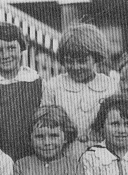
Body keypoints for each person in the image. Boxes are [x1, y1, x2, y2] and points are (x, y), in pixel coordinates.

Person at [41, 23, 118, 152]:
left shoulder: (110, 86)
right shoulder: (54, 86)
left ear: (96, 57)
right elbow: (46, 122)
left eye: (82, 61)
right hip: (65, 154)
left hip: (102, 153)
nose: (76, 67)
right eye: (70, 61)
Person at [0, 22, 43, 161]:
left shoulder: (37, 83)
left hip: (32, 157)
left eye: (11, 48)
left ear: (21, 48)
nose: (5, 55)